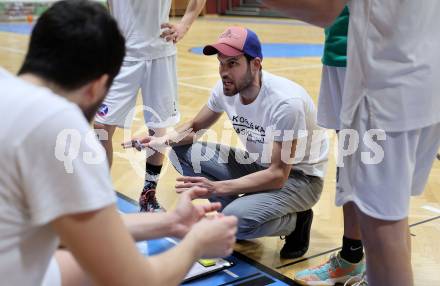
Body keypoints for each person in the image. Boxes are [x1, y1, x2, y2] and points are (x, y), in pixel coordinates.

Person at [0, 1, 237, 286]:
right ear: (98, 86)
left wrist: (172, 222)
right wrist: (196, 244)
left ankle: (146, 197)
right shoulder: (59, 127)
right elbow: (134, 280)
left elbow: (73, 233)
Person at [262, 1, 440, 285]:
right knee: (387, 203)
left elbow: (325, 8)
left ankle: (366, 266)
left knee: (381, 224)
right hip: (412, 59)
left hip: (381, 70)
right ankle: (353, 258)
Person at [124, 26, 329, 259]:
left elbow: (278, 175)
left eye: (232, 63)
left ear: (256, 64)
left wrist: (217, 188)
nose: (224, 71)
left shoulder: (285, 103)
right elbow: (195, 127)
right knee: (179, 151)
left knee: (233, 222)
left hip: (300, 179)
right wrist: (160, 140)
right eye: (221, 63)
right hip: (259, 164)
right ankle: (243, 209)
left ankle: (296, 220)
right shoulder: (225, 90)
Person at [94, 0, 206, 212]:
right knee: (101, 127)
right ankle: (100, 193)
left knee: (159, 127)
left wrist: (185, 24)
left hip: (160, 54)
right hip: (122, 54)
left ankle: (148, 193)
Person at [294, 6, 366, 286]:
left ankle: (382, 267)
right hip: (337, 56)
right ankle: (352, 256)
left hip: (369, 61)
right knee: (349, 164)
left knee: (376, 169)